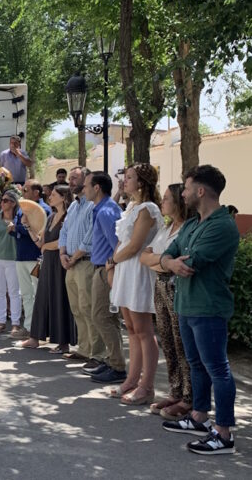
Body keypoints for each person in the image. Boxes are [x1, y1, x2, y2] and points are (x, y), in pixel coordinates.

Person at [159, 165, 240, 455]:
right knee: (196, 365)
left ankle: (224, 434)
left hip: (209, 308)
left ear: (201, 191)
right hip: (187, 305)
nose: (183, 192)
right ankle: (199, 417)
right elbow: (171, 254)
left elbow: (192, 262)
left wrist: (173, 262)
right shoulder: (192, 224)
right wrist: (169, 262)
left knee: (217, 368)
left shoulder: (222, 225)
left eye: (187, 187)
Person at [105, 163, 163, 404]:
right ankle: (131, 379)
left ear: (141, 182)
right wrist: (114, 266)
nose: (124, 181)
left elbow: (135, 245)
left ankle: (146, 386)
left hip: (138, 271)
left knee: (144, 331)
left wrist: (112, 260)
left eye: (129, 177)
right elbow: (122, 242)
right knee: (131, 329)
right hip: (125, 270)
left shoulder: (148, 209)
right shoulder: (131, 207)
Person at [140, 183, 192, 420]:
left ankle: (188, 397)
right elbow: (144, 256)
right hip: (160, 284)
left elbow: (164, 259)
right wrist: (163, 261)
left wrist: (157, 261)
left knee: (181, 342)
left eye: (168, 198)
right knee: (168, 342)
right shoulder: (167, 228)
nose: (163, 202)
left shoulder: (188, 228)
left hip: (175, 287)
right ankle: (175, 390)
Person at [21, 185, 77, 352]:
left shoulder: (69, 216)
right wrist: (28, 226)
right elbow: (40, 243)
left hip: (60, 263)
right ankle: (35, 338)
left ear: (63, 197)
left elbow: (64, 241)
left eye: (53, 194)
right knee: (42, 298)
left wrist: (47, 247)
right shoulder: (51, 217)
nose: (49, 197)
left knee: (60, 299)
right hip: (48, 262)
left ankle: (63, 342)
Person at [83, 171, 126, 384]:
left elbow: (117, 243)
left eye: (86, 186)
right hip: (102, 268)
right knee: (108, 318)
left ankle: (118, 366)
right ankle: (114, 360)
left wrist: (111, 269)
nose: (84, 190)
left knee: (100, 316)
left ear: (97, 187)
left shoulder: (106, 211)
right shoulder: (103, 209)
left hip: (105, 269)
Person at [59, 167, 105, 369]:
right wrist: (62, 254)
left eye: (75, 178)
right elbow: (64, 231)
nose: (71, 181)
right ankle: (84, 349)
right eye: (70, 178)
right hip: (70, 264)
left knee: (89, 309)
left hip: (85, 262)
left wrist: (74, 257)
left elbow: (90, 237)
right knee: (77, 309)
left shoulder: (91, 206)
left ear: (87, 180)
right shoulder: (73, 207)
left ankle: (98, 353)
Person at [13, 185, 47, 339]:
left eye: (26, 190)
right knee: (26, 294)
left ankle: (41, 329)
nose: (23, 193)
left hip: (35, 257)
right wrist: (18, 229)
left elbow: (37, 230)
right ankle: (28, 327)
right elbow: (17, 229)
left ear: (36, 192)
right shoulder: (22, 207)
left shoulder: (43, 209)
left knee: (38, 294)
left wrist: (19, 228)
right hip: (21, 256)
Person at [0, 190, 21, 334]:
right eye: (2, 200)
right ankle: (1, 321)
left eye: (6, 200)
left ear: (14, 203)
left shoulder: (20, 218)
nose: (3, 202)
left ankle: (15, 323)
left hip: (13, 258)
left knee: (14, 292)